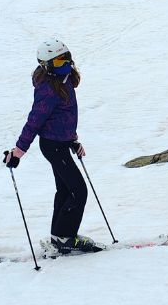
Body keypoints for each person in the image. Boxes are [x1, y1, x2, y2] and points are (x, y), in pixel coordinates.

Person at [6, 37, 101, 253]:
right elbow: (35, 121)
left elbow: (63, 117)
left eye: (67, 59)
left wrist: (73, 140)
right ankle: (65, 237)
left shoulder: (65, 79)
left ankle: (59, 236)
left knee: (66, 189)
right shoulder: (48, 89)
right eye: (58, 63)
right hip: (52, 146)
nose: (66, 65)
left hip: (61, 143)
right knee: (78, 191)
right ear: (47, 67)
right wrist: (18, 152)